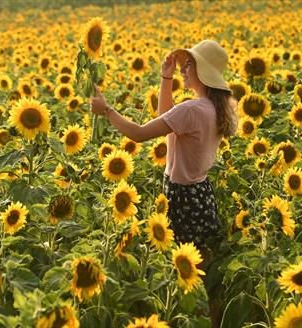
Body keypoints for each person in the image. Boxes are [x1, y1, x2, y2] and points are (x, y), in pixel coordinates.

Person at [90, 39, 237, 327]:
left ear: (203, 72)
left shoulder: (192, 110)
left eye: (188, 64)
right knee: (200, 278)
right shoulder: (210, 108)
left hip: (182, 199)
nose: (183, 68)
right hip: (201, 197)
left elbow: (139, 133)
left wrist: (107, 110)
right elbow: (165, 118)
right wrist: (165, 78)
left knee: (182, 281)